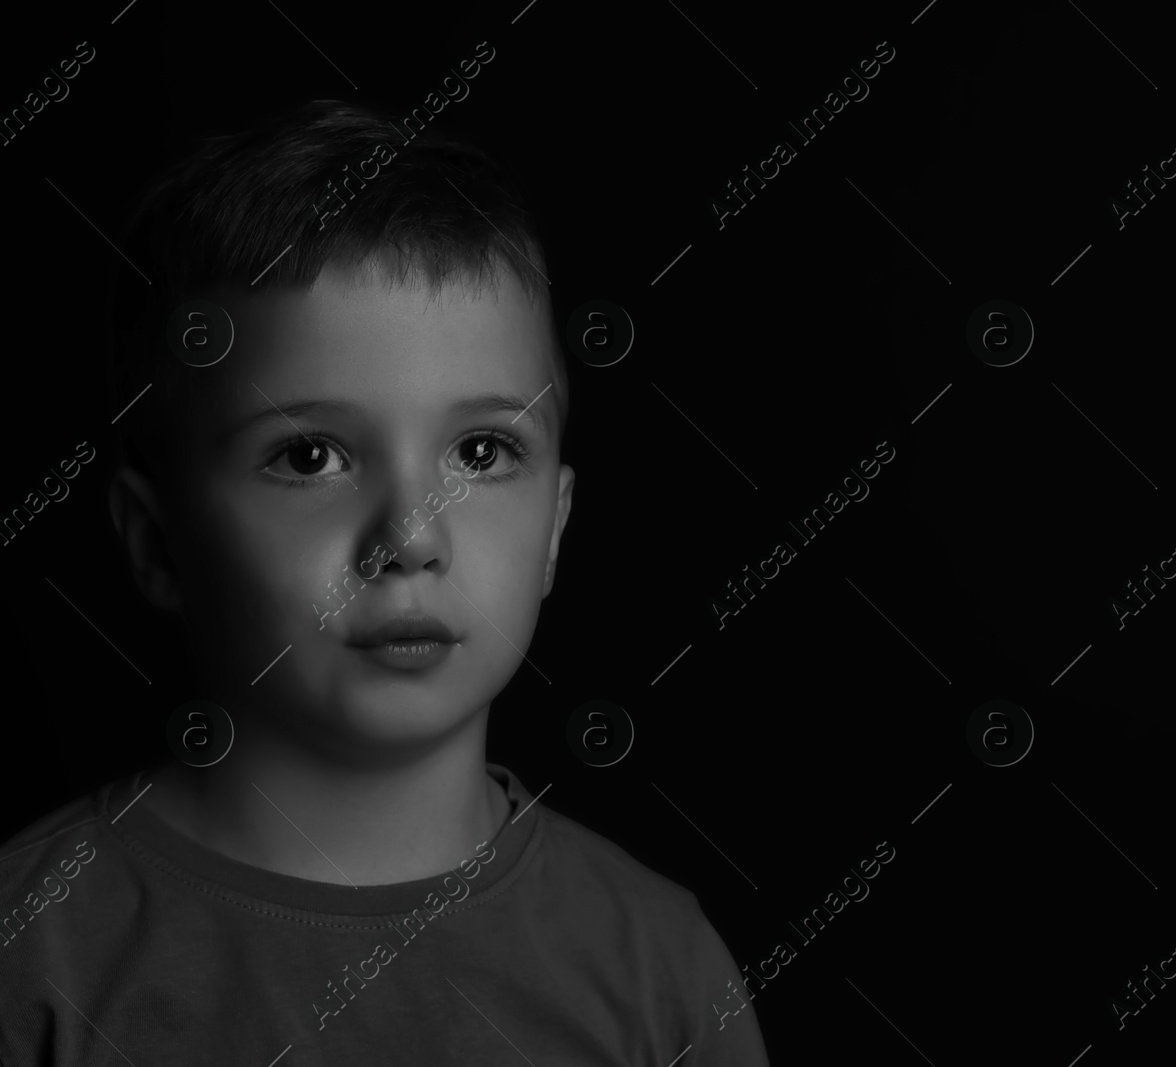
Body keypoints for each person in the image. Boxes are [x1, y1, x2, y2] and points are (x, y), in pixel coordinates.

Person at [0, 99, 770, 1065]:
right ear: (158, 544)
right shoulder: (32, 955)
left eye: (483, 450)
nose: (409, 538)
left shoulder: (662, 971)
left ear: (556, 528)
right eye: (311, 454)